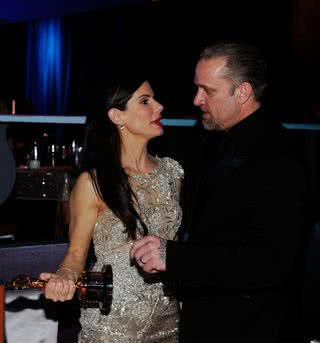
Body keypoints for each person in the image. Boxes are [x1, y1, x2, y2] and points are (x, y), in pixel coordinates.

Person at [131, 41, 311, 343]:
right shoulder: (216, 142)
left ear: (242, 92)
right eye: (197, 88)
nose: (197, 99)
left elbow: (272, 262)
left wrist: (175, 258)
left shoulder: (278, 156)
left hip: (249, 329)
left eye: (208, 91)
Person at [40, 72, 184, 342]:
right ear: (117, 116)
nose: (159, 107)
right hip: (112, 324)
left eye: (155, 99)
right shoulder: (93, 183)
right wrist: (64, 278)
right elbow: (76, 254)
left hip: (168, 318)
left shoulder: (172, 174)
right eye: (145, 101)